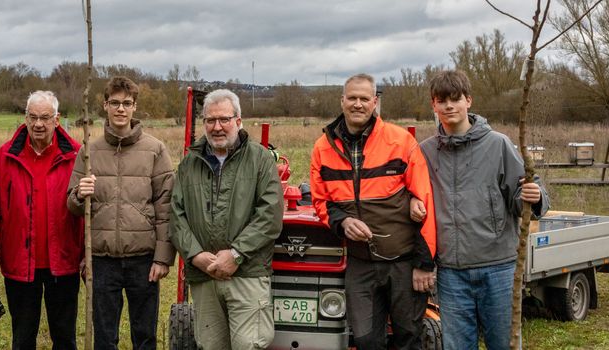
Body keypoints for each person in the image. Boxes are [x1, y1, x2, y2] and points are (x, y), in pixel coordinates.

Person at [419, 70, 548, 350]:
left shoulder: (498, 144)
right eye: (442, 100)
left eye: (455, 99)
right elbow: (417, 201)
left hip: (498, 268)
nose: (449, 106)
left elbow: (523, 194)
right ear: (433, 105)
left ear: (468, 101)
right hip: (451, 272)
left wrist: (534, 196)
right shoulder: (425, 153)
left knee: (503, 343)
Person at [309, 74, 437, 349]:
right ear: (342, 101)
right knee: (365, 339)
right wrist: (343, 222)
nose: (358, 104)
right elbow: (321, 202)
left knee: (408, 337)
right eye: (352, 98)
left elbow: (424, 201)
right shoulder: (322, 148)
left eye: (364, 98)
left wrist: (424, 264)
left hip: (403, 262)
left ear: (375, 102)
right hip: (360, 264)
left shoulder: (400, 141)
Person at [66, 76, 174, 350]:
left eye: (127, 103)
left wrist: (162, 258)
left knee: (145, 336)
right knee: (104, 338)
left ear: (135, 107)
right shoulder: (89, 151)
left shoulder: (155, 150)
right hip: (102, 261)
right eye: (114, 103)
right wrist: (79, 194)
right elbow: (72, 205)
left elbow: (165, 207)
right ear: (105, 105)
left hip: (143, 260)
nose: (120, 109)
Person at [169, 89, 283, 349]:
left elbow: (270, 214)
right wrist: (195, 255)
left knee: (248, 344)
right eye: (210, 120)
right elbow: (176, 215)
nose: (217, 127)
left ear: (238, 121)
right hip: (205, 275)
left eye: (224, 119)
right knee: (210, 345)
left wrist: (236, 254)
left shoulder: (260, 160)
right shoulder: (189, 164)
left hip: (247, 274)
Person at [0, 91, 83, 350]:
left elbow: (89, 210)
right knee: (23, 337)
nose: (38, 124)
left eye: (45, 117)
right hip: (20, 263)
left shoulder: (76, 156)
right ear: (25, 118)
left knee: (64, 336)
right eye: (33, 117)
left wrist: (87, 259)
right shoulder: (5, 156)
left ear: (57, 119)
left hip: (64, 261)